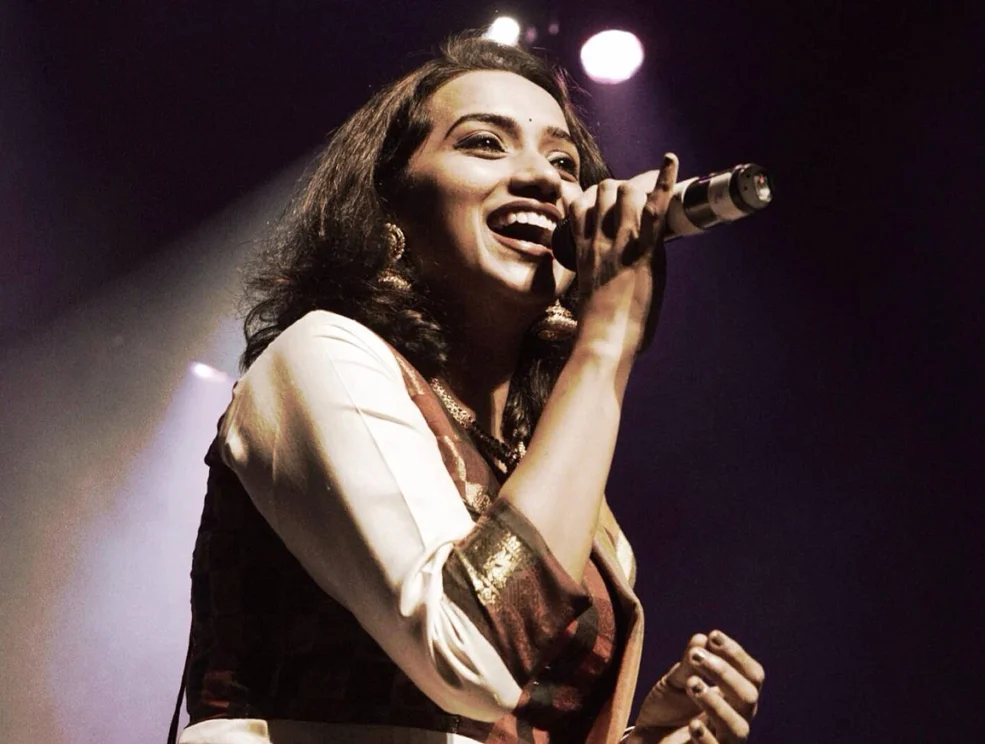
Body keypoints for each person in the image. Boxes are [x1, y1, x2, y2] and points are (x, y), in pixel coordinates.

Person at [177, 34, 765, 744]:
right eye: (486, 144)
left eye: (564, 162)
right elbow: (467, 649)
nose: (546, 181)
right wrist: (605, 341)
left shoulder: (558, 485)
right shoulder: (323, 355)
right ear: (391, 206)